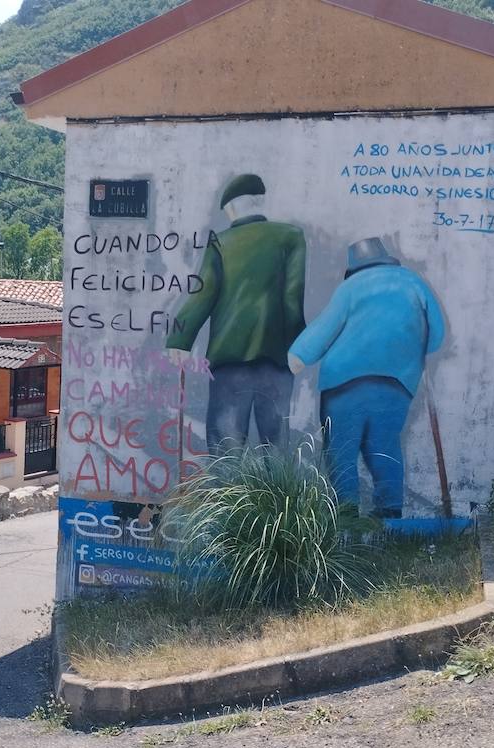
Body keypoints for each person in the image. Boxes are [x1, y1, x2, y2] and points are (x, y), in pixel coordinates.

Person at [287, 237, 445, 517]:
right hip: (396, 384)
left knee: (341, 451)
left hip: (343, 384)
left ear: (354, 267)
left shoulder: (350, 288)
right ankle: (390, 513)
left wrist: (298, 356)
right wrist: (418, 352)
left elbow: (324, 329)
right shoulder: (413, 282)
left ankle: (347, 516)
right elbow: (437, 333)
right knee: (384, 447)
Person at [167, 173, 306, 449]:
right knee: (276, 444)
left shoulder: (221, 242)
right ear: (260, 201)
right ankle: (276, 495)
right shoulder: (291, 237)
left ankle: (227, 494)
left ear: (231, 208)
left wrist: (179, 340)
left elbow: (203, 294)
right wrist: (299, 348)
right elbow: (292, 299)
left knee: (225, 449)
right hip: (277, 360)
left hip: (228, 360)